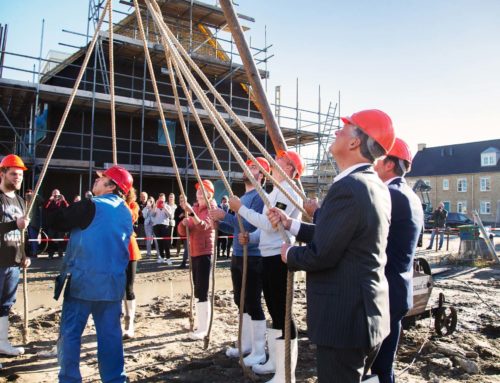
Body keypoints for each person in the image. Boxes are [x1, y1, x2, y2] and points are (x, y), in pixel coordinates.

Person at [268, 109, 395, 383]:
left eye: (344, 128)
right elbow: (339, 236)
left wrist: (290, 254)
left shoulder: (349, 187)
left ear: (354, 143)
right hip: (365, 315)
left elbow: (323, 253)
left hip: (345, 320)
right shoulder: (372, 185)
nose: (337, 132)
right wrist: (292, 224)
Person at [47, 165, 133, 383]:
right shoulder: (126, 210)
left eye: (101, 178)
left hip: (83, 283)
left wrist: (52, 202)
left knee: (70, 334)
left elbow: (56, 221)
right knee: (110, 336)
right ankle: (115, 379)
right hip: (112, 286)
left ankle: (69, 379)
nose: (95, 181)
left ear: (111, 186)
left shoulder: (91, 205)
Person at [230, 150, 304, 380]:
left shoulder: (289, 191)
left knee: (282, 311)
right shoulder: (274, 192)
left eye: (280, 159)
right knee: (274, 309)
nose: (274, 162)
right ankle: (275, 361)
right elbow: (265, 229)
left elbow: (272, 225)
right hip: (268, 254)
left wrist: (240, 209)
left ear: (290, 168)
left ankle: (285, 371)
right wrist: (251, 238)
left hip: (279, 257)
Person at [371, 138, 424, 383]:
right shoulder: (410, 196)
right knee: (384, 365)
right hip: (399, 288)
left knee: (377, 367)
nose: (373, 163)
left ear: (390, 164)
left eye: (379, 158)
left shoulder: (389, 195)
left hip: (385, 290)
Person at [209, 158, 268, 366]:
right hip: (238, 254)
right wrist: (220, 222)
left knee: (252, 301)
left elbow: (252, 227)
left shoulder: (261, 197)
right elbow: (236, 228)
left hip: (252, 256)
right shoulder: (243, 197)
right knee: (240, 301)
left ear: (262, 175)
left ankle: (259, 350)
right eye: (248, 166)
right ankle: (246, 345)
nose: (247, 169)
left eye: (253, 167)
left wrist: (226, 214)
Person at [177, 180, 217, 340]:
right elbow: (182, 231)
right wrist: (184, 223)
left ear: (210, 194)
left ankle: (203, 328)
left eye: (203, 190)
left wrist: (191, 215)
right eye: (198, 189)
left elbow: (204, 226)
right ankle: (201, 324)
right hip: (194, 252)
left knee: (202, 290)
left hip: (206, 252)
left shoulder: (212, 208)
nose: (199, 192)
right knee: (198, 287)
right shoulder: (193, 208)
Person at [0, 154, 31, 357]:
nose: (17, 178)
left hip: (13, 262)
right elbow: (15, 226)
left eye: (19, 175)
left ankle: (2, 343)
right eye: (13, 174)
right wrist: (14, 224)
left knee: (5, 304)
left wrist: (25, 255)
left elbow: (22, 234)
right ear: (2, 174)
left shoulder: (20, 201)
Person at [123, 187, 142, 339]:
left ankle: (130, 321)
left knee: (129, 287)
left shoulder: (133, 205)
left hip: (129, 250)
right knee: (115, 288)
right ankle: (119, 317)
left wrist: (122, 203)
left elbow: (131, 217)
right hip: (113, 249)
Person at [44, 188, 69, 258]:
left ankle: (60, 253)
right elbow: (45, 207)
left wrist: (64, 200)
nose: (56, 196)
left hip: (60, 224)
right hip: (51, 224)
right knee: (51, 239)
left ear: (59, 195)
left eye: (57, 194)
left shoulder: (62, 202)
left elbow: (68, 207)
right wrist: (50, 200)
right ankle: (50, 254)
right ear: (52, 195)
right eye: (54, 194)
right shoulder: (50, 201)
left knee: (60, 239)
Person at [152, 193, 173, 265]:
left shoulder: (168, 206)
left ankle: (168, 258)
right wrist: (155, 205)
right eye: (160, 199)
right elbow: (152, 214)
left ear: (165, 199)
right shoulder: (156, 207)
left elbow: (170, 216)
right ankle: (161, 257)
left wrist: (164, 208)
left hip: (165, 225)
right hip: (156, 225)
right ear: (158, 199)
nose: (161, 200)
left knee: (166, 242)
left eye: (163, 199)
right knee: (159, 242)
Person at [24, 189, 44, 258]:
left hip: (33, 223)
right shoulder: (23, 201)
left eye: (30, 192)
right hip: (25, 223)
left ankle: (34, 252)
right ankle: (28, 252)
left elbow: (42, 201)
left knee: (33, 238)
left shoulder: (35, 200)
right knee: (27, 238)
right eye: (27, 192)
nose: (28, 194)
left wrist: (35, 194)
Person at [174, 202, 189, 268]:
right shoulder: (178, 210)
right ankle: (184, 262)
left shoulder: (189, 210)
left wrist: (187, 215)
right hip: (182, 230)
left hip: (189, 231)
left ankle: (184, 262)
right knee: (185, 246)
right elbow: (176, 219)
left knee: (187, 248)